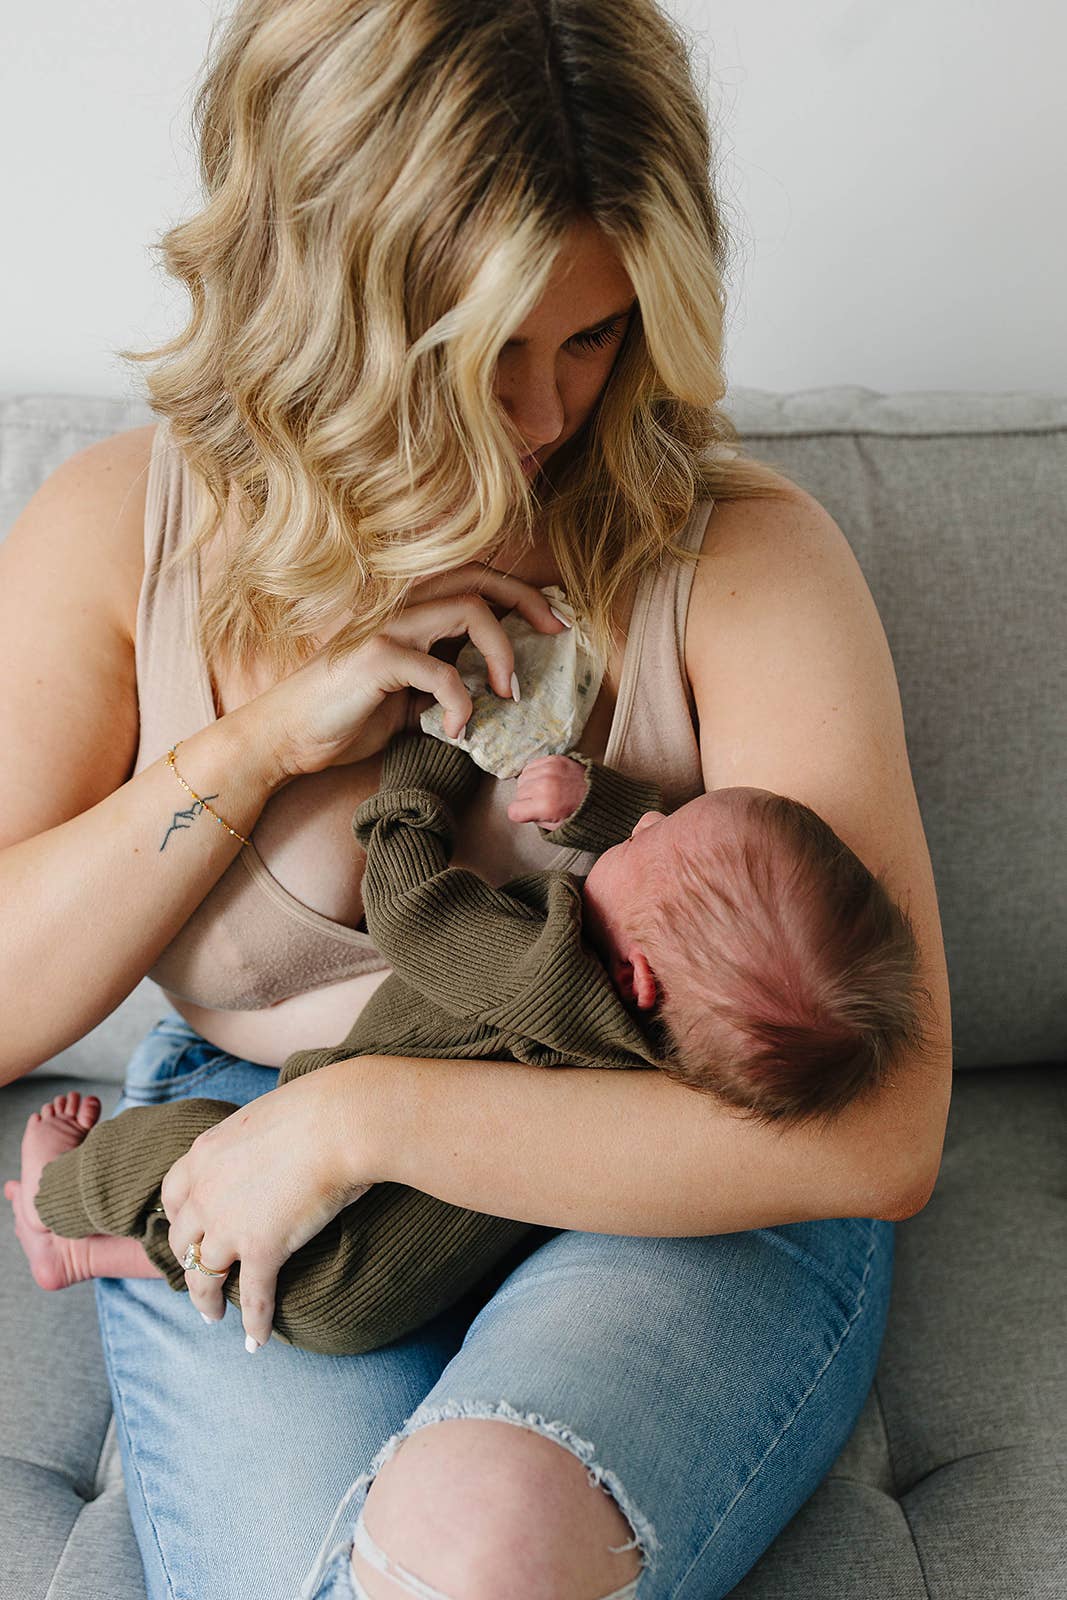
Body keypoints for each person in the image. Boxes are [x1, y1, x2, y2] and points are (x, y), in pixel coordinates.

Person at [0, 1, 952, 1596]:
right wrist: (256, 750)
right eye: (481, 351)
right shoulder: (126, 533)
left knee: (481, 1546)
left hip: (669, 1161)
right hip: (238, 1149)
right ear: (323, 306)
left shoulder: (743, 558)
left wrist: (367, 1117)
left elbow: (877, 1124)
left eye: (592, 336)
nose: (543, 417)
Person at [14, 726, 929, 1356]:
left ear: (637, 976)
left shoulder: (528, 974)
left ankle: (55, 1204)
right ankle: (88, 1260)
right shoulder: (664, 1046)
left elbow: (407, 907)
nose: (652, 813)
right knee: (209, 1234)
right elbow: (661, 875)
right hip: (390, 1285)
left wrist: (424, 770)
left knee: (170, 1155)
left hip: (330, 1248)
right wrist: (592, 807)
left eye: (659, 830)